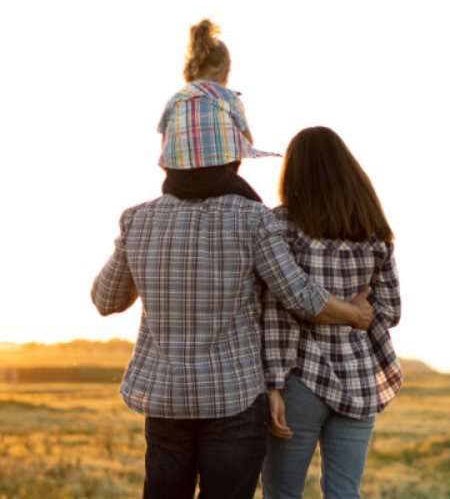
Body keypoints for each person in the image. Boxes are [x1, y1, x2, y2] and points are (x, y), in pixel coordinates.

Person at [91, 28, 373, 499]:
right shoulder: (252, 219)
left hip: (164, 402)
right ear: (232, 155)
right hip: (233, 402)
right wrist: (355, 314)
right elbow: (301, 298)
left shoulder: (138, 220)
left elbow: (105, 300)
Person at [261, 126, 403, 499]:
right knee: (345, 494)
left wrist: (273, 384)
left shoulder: (281, 227)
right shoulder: (373, 232)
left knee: (282, 494)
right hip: (359, 379)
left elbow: (276, 314)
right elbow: (390, 310)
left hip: (300, 378)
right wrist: (355, 312)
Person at [158, 18, 279, 203]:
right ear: (225, 72)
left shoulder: (174, 100)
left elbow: (164, 146)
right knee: (256, 203)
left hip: (176, 183)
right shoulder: (227, 96)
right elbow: (247, 141)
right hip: (215, 180)